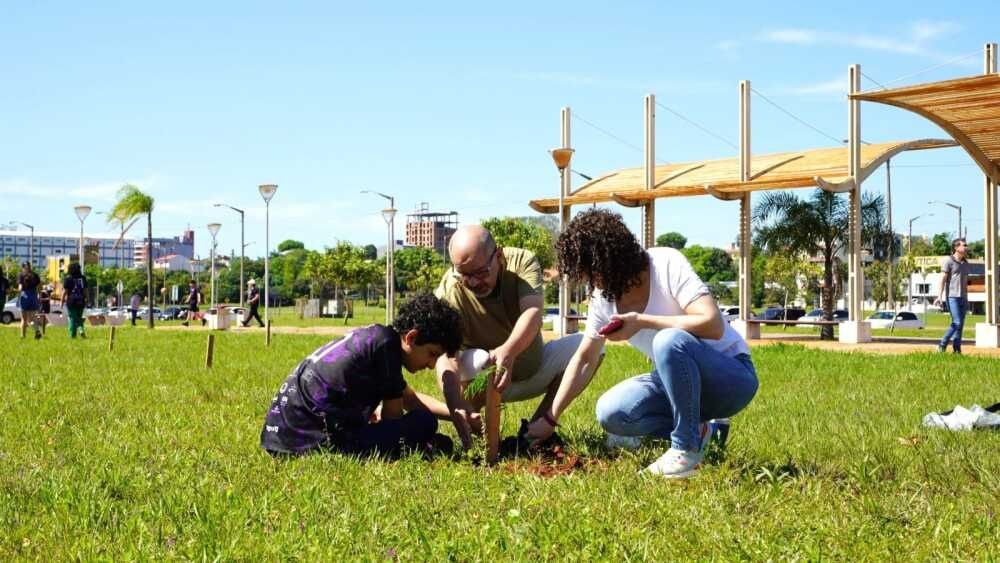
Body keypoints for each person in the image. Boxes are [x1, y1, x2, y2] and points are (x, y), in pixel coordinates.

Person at [526, 209, 759, 479]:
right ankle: (702, 431)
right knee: (611, 413)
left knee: (669, 340)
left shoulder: (665, 263)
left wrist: (642, 321)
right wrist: (550, 419)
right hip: (678, 385)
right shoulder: (603, 298)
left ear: (611, 259)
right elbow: (584, 359)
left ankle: (685, 450)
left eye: (592, 272)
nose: (591, 282)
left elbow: (712, 324)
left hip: (732, 378)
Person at [433, 225, 590, 449]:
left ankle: (535, 432)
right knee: (480, 360)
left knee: (588, 346)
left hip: (531, 369)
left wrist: (508, 352)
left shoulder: (522, 263)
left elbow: (532, 312)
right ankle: (478, 434)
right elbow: (443, 356)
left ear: (498, 255)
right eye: (465, 275)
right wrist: (455, 404)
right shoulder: (449, 291)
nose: (475, 282)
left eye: (481, 272)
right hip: (481, 379)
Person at [260, 292, 462, 459]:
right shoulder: (386, 348)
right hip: (312, 443)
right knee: (424, 422)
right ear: (411, 337)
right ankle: (427, 447)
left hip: (280, 437)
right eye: (432, 354)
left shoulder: (378, 338)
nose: (431, 364)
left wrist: (457, 415)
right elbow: (393, 420)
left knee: (422, 422)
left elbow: (410, 399)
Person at [936, 237, 971, 354]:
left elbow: (965, 283)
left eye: (966, 245)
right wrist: (939, 296)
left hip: (963, 298)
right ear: (956, 247)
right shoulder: (948, 261)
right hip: (952, 297)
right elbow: (942, 279)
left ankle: (957, 350)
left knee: (960, 325)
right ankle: (942, 345)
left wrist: (966, 299)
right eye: (964, 245)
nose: (966, 247)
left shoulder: (966, 263)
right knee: (957, 322)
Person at [61, 262, 88, 339]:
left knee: (72, 318)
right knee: (79, 318)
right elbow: (85, 290)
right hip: (81, 300)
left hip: (71, 301)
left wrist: (62, 302)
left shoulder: (68, 278)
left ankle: (73, 335)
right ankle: (81, 330)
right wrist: (86, 299)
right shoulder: (83, 278)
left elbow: (64, 292)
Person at [17, 262, 42, 339]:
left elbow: (20, 288)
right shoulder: (35, 275)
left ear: (23, 267)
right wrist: (38, 295)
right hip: (33, 296)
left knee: (24, 319)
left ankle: (23, 336)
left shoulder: (21, 275)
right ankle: (37, 331)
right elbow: (39, 286)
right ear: (30, 267)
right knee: (33, 318)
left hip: (25, 296)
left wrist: (18, 293)